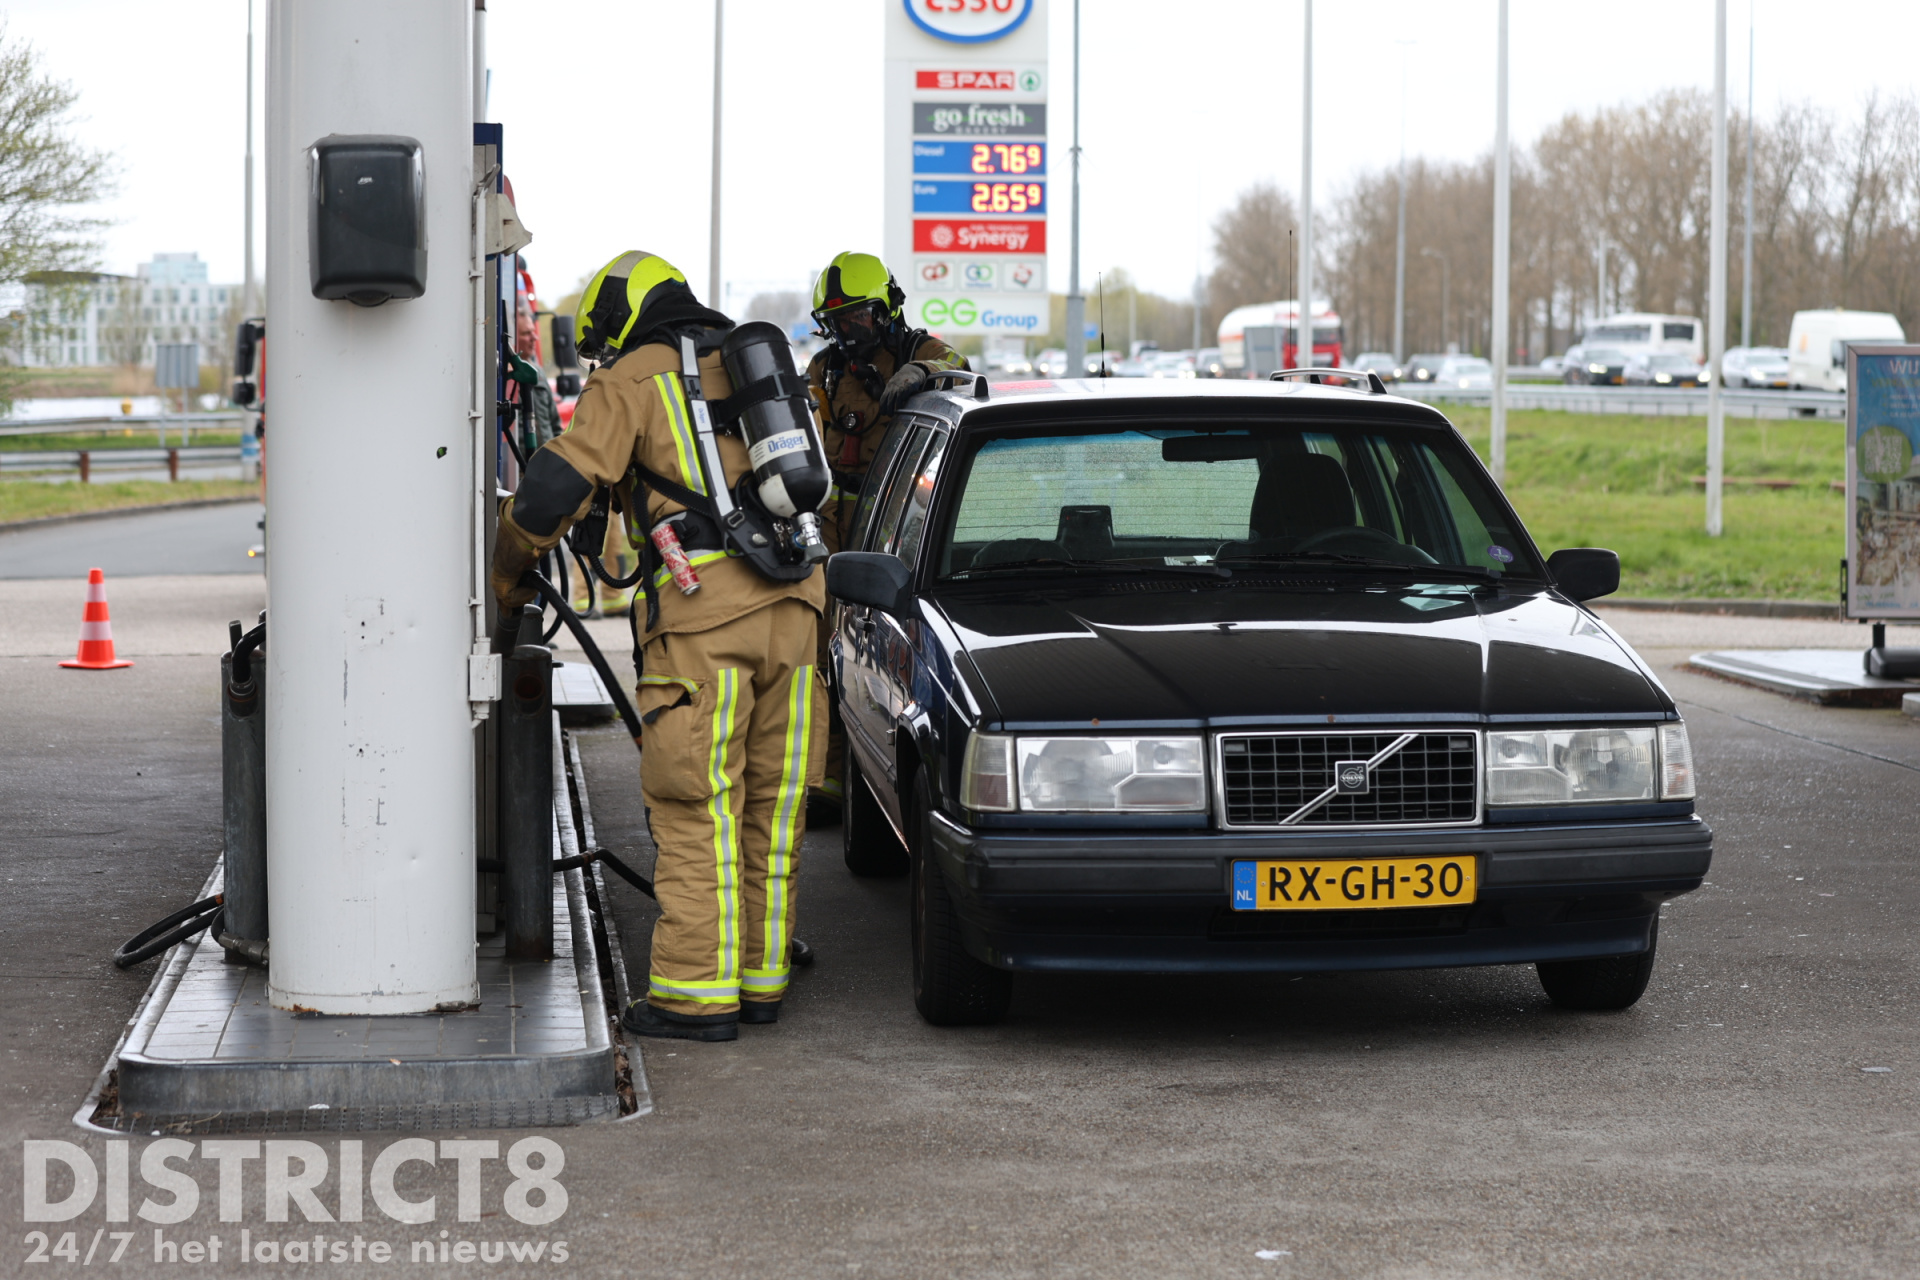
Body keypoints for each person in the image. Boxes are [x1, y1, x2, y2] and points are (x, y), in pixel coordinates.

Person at [491, 250, 826, 1043]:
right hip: (800, 612)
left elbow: (553, 489)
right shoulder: (753, 368)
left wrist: (507, 569)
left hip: (705, 620)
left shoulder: (634, 377)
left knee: (698, 809)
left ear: (619, 317)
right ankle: (761, 983)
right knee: (772, 811)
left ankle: (693, 996)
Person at [804, 251, 968, 824]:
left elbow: (960, 370)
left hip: (890, 520)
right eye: (838, 321)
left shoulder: (920, 352)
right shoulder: (824, 370)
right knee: (822, 644)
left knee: (878, 648)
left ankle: (864, 770)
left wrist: (920, 374)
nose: (848, 331)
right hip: (831, 520)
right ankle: (826, 777)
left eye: (857, 317)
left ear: (887, 309)